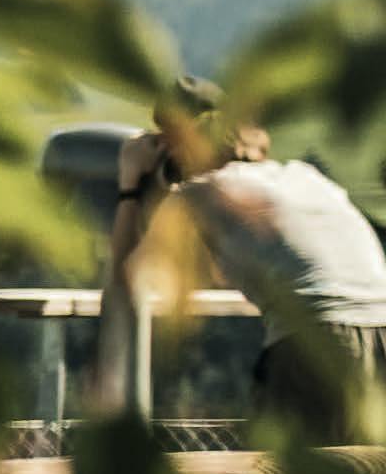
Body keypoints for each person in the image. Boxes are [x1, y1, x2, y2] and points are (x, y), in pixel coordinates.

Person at [104, 106, 386, 410]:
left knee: (290, 457)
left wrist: (130, 184)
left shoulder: (204, 192)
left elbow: (127, 276)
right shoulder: (305, 176)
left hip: (317, 345)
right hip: (380, 328)